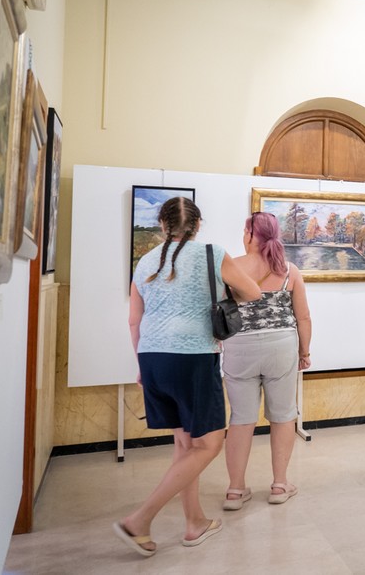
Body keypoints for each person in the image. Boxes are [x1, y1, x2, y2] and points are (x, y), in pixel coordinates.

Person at [115, 197, 261, 557]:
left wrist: (141, 365)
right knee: (209, 444)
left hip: (152, 358)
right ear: (197, 226)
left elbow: (134, 319)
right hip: (193, 356)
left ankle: (194, 523)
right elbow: (254, 292)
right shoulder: (211, 253)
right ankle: (140, 519)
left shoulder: (145, 261)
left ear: (162, 226)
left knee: (185, 446)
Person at [222, 212, 312, 510]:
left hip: (239, 348)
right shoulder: (289, 270)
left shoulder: (230, 267)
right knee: (284, 415)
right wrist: (305, 352)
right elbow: (303, 317)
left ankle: (235, 491)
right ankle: (279, 484)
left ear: (249, 234)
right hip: (281, 346)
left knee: (241, 418)